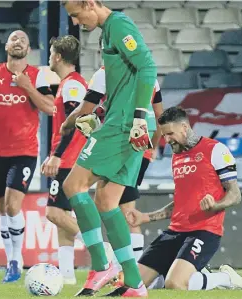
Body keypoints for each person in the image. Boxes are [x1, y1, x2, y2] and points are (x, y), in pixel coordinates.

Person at [61, 0, 157, 297]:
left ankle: (102, 264)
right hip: (122, 120)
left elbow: (148, 66)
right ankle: (134, 283)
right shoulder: (107, 32)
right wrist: (99, 114)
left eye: (77, 14)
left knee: (73, 185)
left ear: (90, 3)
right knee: (105, 202)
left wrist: (139, 116)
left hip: (128, 124)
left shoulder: (119, 26)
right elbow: (123, 84)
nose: (76, 22)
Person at [126, 107, 242, 291]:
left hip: (204, 231)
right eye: (164, 135)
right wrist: (146, 217)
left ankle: (225, 278)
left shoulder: (215, 150)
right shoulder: (177, 156)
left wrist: (216, 205)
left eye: (170, 134)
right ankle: (183, 276)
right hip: (174, 232)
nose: (167, 140)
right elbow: (181, 203)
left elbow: (235, 194)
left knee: (176, 284)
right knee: (133, 285)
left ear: (184, 127)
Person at [0, 30, 54, 283]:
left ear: (28, 49)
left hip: (24, 152)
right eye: (14, 39)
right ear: (6, 45)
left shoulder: (37, 76)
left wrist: (27, 87)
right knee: (4, 210)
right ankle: (10, 262)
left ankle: (17, 260)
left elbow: (50, 108)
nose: (18, 42)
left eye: (23, 40)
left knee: (14, 206)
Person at [77, 65, 164, 287]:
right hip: (140, 145)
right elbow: (159, 115)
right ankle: (132, 272)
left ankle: (132, 273)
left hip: (124, 144)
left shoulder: (106, 73)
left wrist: (73, 122)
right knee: (118, 205)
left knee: (122, 208)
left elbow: (88, 113)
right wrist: (153, 147)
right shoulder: (148, 76)